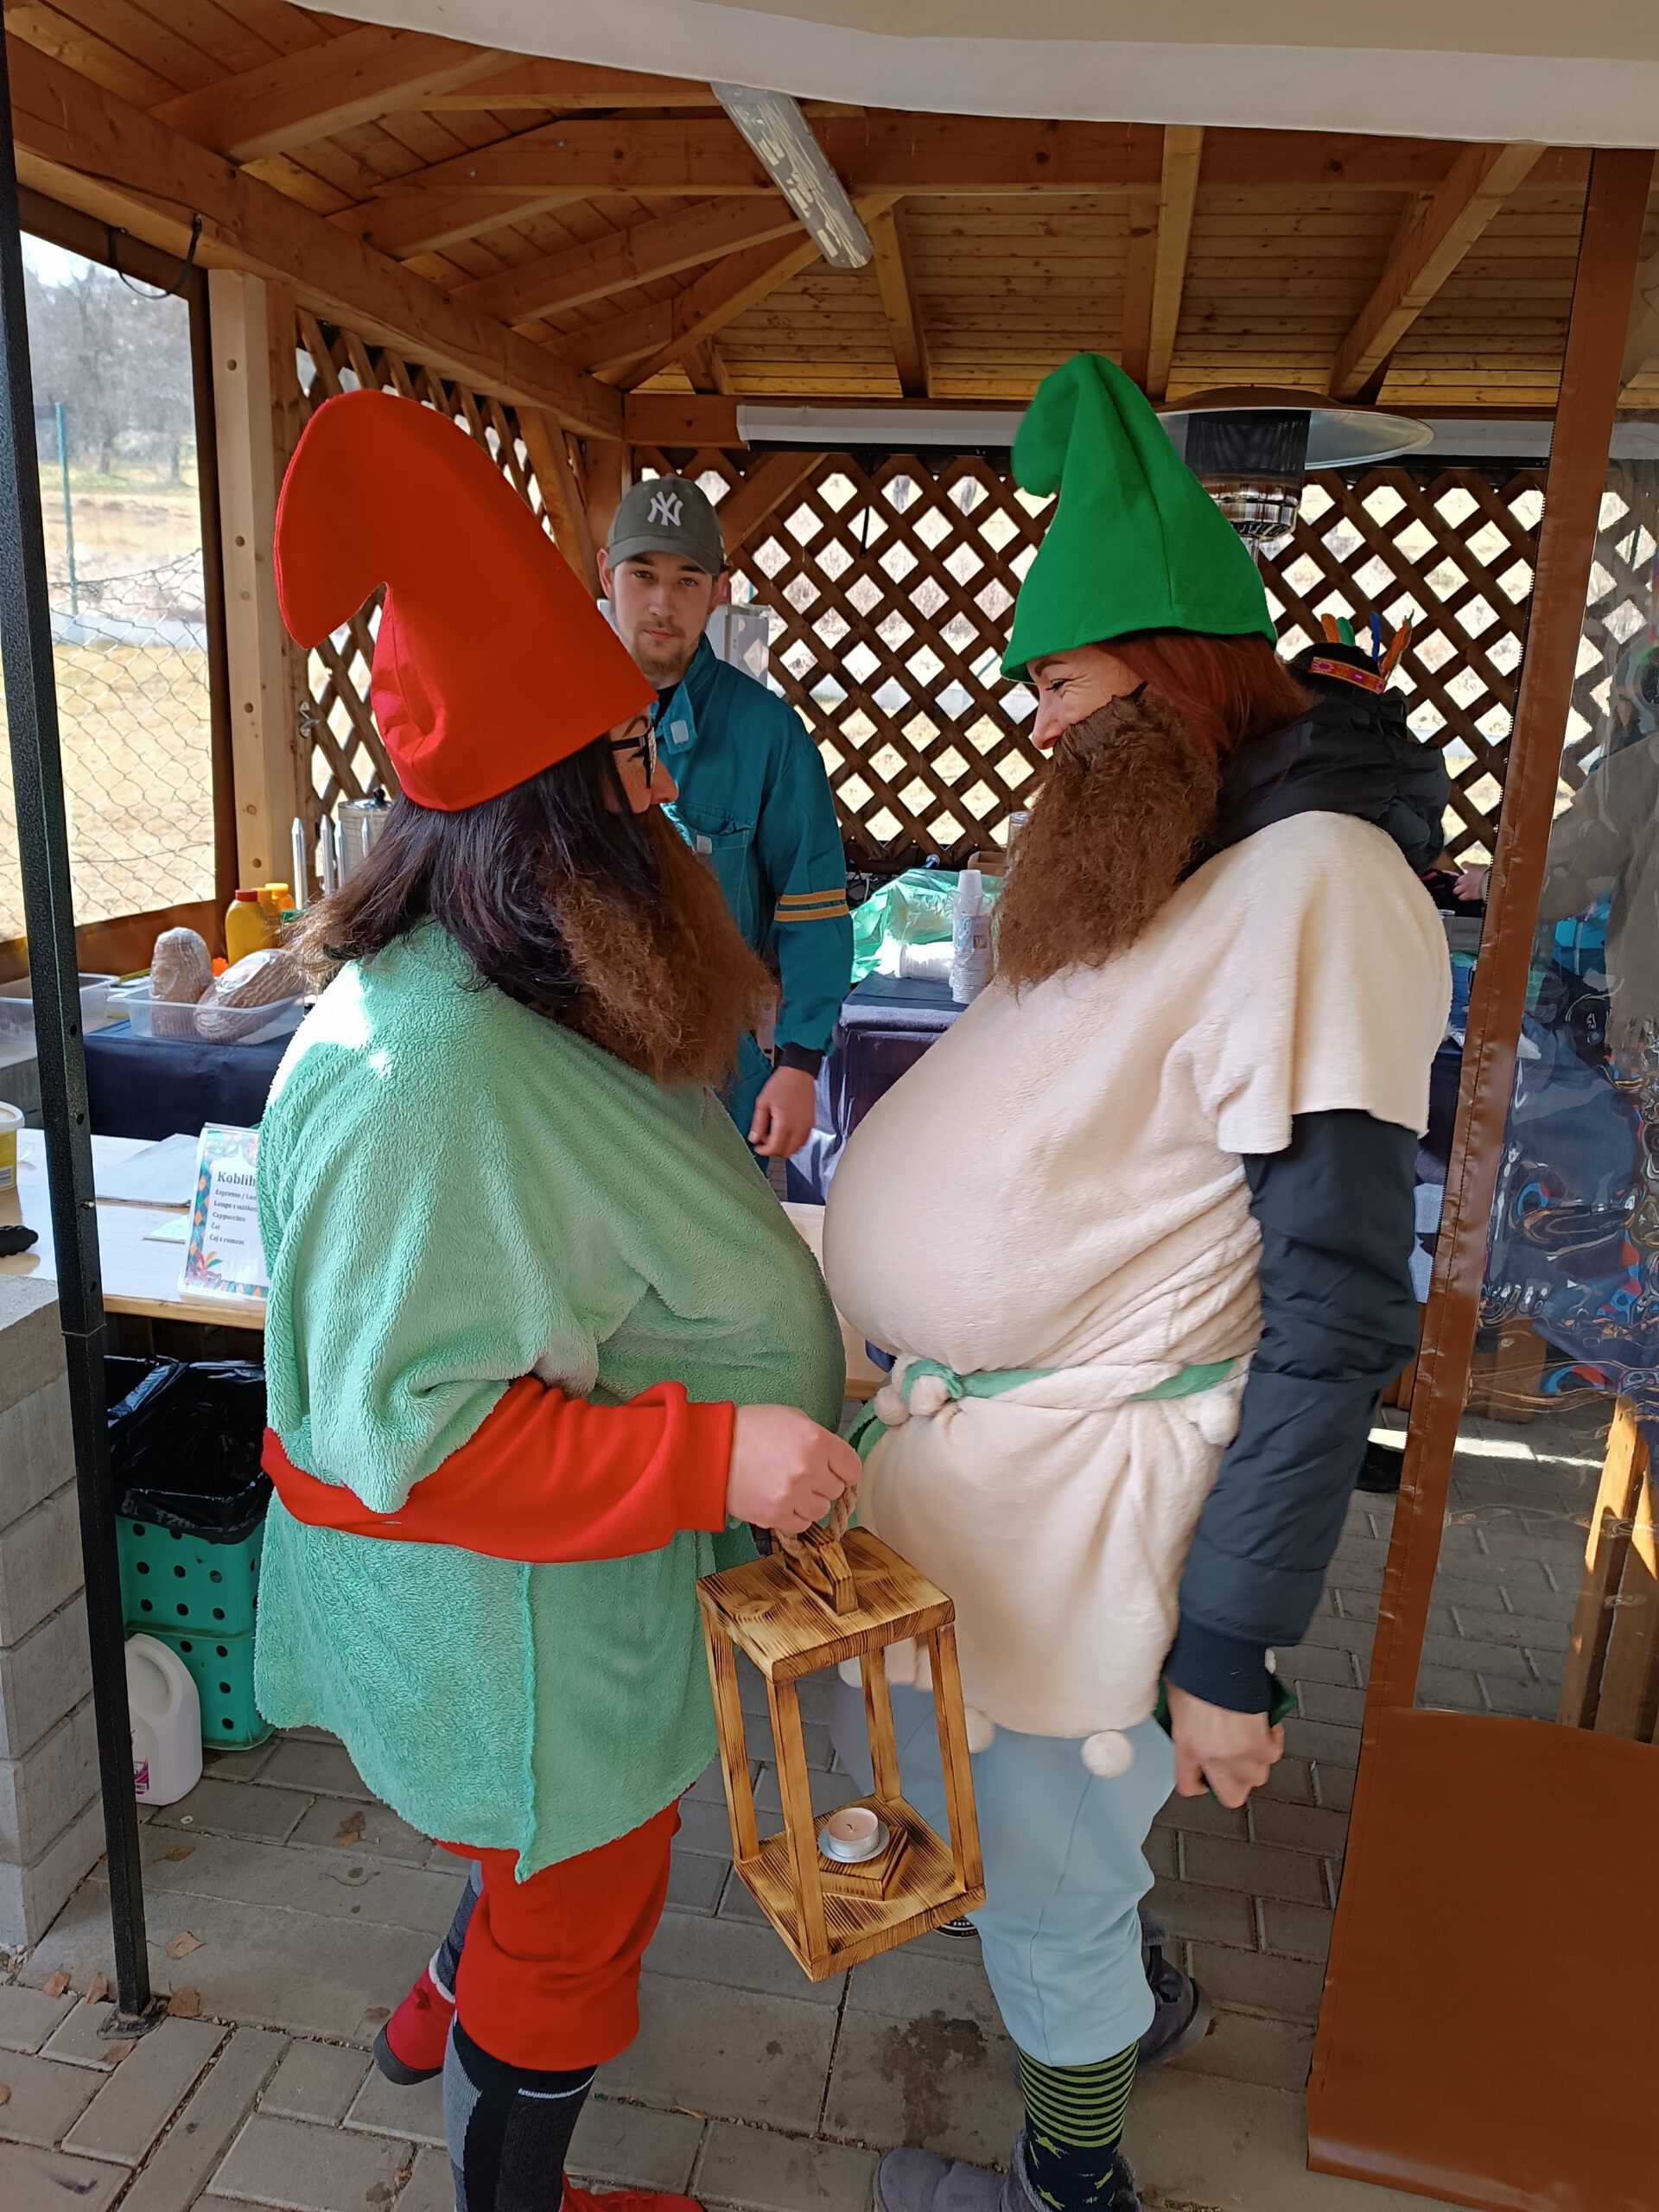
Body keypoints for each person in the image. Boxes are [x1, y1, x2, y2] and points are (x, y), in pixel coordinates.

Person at [820, 353, 1450, 2212]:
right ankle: (1132, 1996)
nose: (1037, 732)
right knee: (1045, 1848)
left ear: (1171, 677)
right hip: (993, 1478)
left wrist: (1229, 1649)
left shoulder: (1319, 881)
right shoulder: (1184, 859)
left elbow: (1338, 1308)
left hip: (1086, 1512)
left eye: (1064, 687)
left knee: (1042, 1886)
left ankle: (1068, 2179)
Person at [254, 389, 855, 2212]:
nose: (661, 794)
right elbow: (422, 1432)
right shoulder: (428, 1068)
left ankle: (438, 2011)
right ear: (550, 812)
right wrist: (716, 1456)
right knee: (574, 1918)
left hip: (554, 1604)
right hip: (515, 1623)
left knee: (529, 1869)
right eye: (630, 767)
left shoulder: (519, 974)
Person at [596, 474, 853, 1159]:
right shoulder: (556, 721)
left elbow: (813, 904)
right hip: (581, 1067)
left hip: (720, 1074)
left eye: (687, 580)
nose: (662, 602)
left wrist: (800, 1061)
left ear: (719, 591)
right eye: (643, 574)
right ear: (606, 574)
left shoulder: (769, 735)